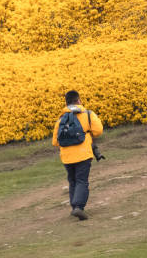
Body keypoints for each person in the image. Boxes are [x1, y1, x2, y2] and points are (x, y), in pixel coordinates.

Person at [52, 90, 103, 220]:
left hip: (67, 157)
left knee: (73, 180)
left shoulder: (61, 118)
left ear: (66, 103)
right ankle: (79, 207)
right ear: (79, 100)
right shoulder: (87, 114)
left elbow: (55, 142)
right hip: (83, 154)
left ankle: (74, 207)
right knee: (81, 181)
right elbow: (98, 131)